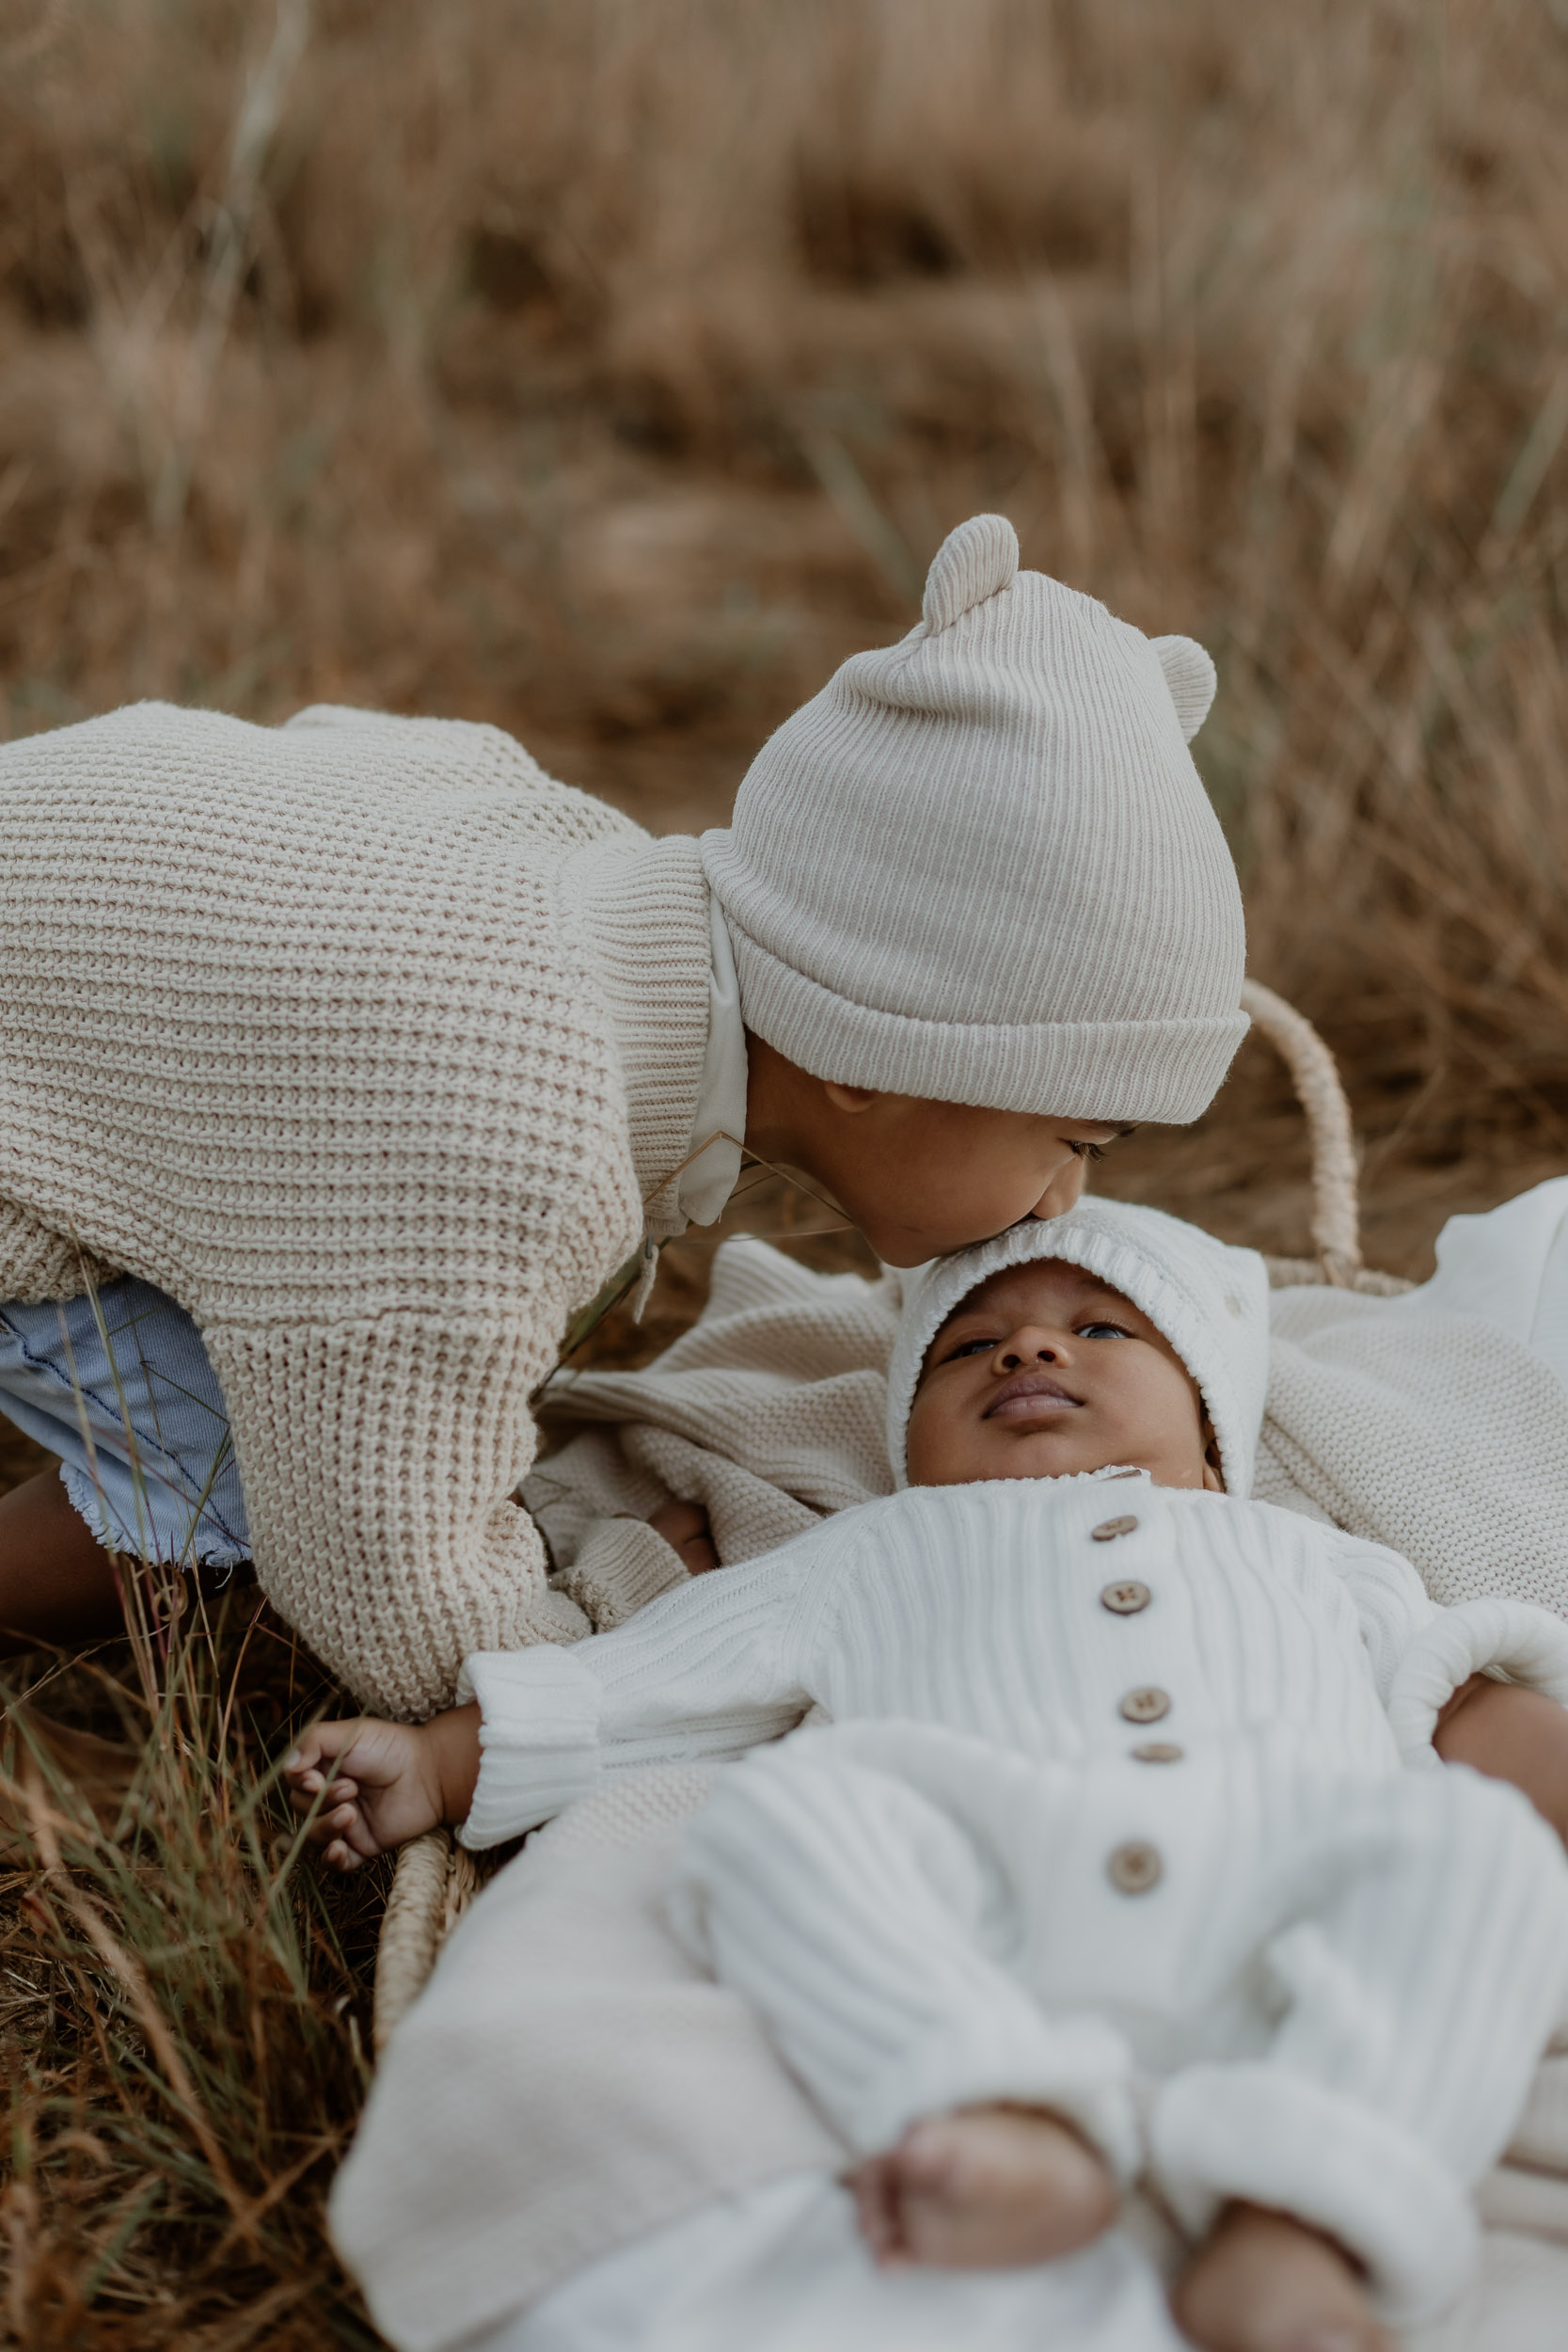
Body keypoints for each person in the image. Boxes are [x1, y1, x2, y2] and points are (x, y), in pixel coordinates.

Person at [0, 515, 1246, 1716]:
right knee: (241, 1489)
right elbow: (391, 1593)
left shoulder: (578, 864)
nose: (1067, 1196)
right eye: (1072, 1142)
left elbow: (357, 753)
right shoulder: (520, 1139)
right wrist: (599, 1621)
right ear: (872, 1056)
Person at [291, 1198, 1568, 2352]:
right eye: (969, 1349)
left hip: (1299, 1888)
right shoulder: (873, 1547)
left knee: (1478, 1856)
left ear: (1214, 1434)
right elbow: (663, 1678)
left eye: (1103, 1330)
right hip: (997, 1897)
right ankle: (999, 2104)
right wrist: (441, 1762)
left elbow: (1453, 1694)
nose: (1028, 1352)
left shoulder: (1313, 1555)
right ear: (907, 1438)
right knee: (781, 1821)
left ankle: (1300, 2216)